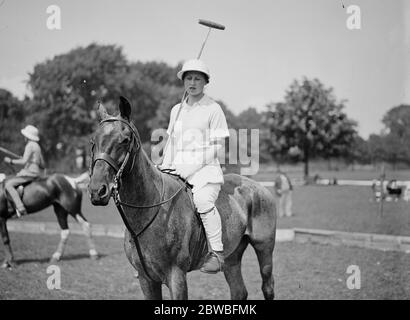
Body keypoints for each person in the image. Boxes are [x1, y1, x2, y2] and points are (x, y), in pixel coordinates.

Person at [160, 59, 230, 273]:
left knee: (201, 200)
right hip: (177, 169)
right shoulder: (176, 110)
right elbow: (171, 142)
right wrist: (164, 167)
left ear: (205, 82)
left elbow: (218, 146)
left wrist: (193, 166)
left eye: (198, 78)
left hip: (205, 171)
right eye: (189, 78)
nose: (192, 82)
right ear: (183, 81)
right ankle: (150, 255)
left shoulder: (213, 108)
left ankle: (216, 254)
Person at [3, 125, 45, 217]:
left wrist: (10, 161)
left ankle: (20, 207)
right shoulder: (37, 146)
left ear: (27, 136)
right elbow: (42, 164)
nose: (24, 137)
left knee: (8, 185)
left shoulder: (29, 145)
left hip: (29, 173)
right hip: (36, 172)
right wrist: (29, 160)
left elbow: (23, 161)